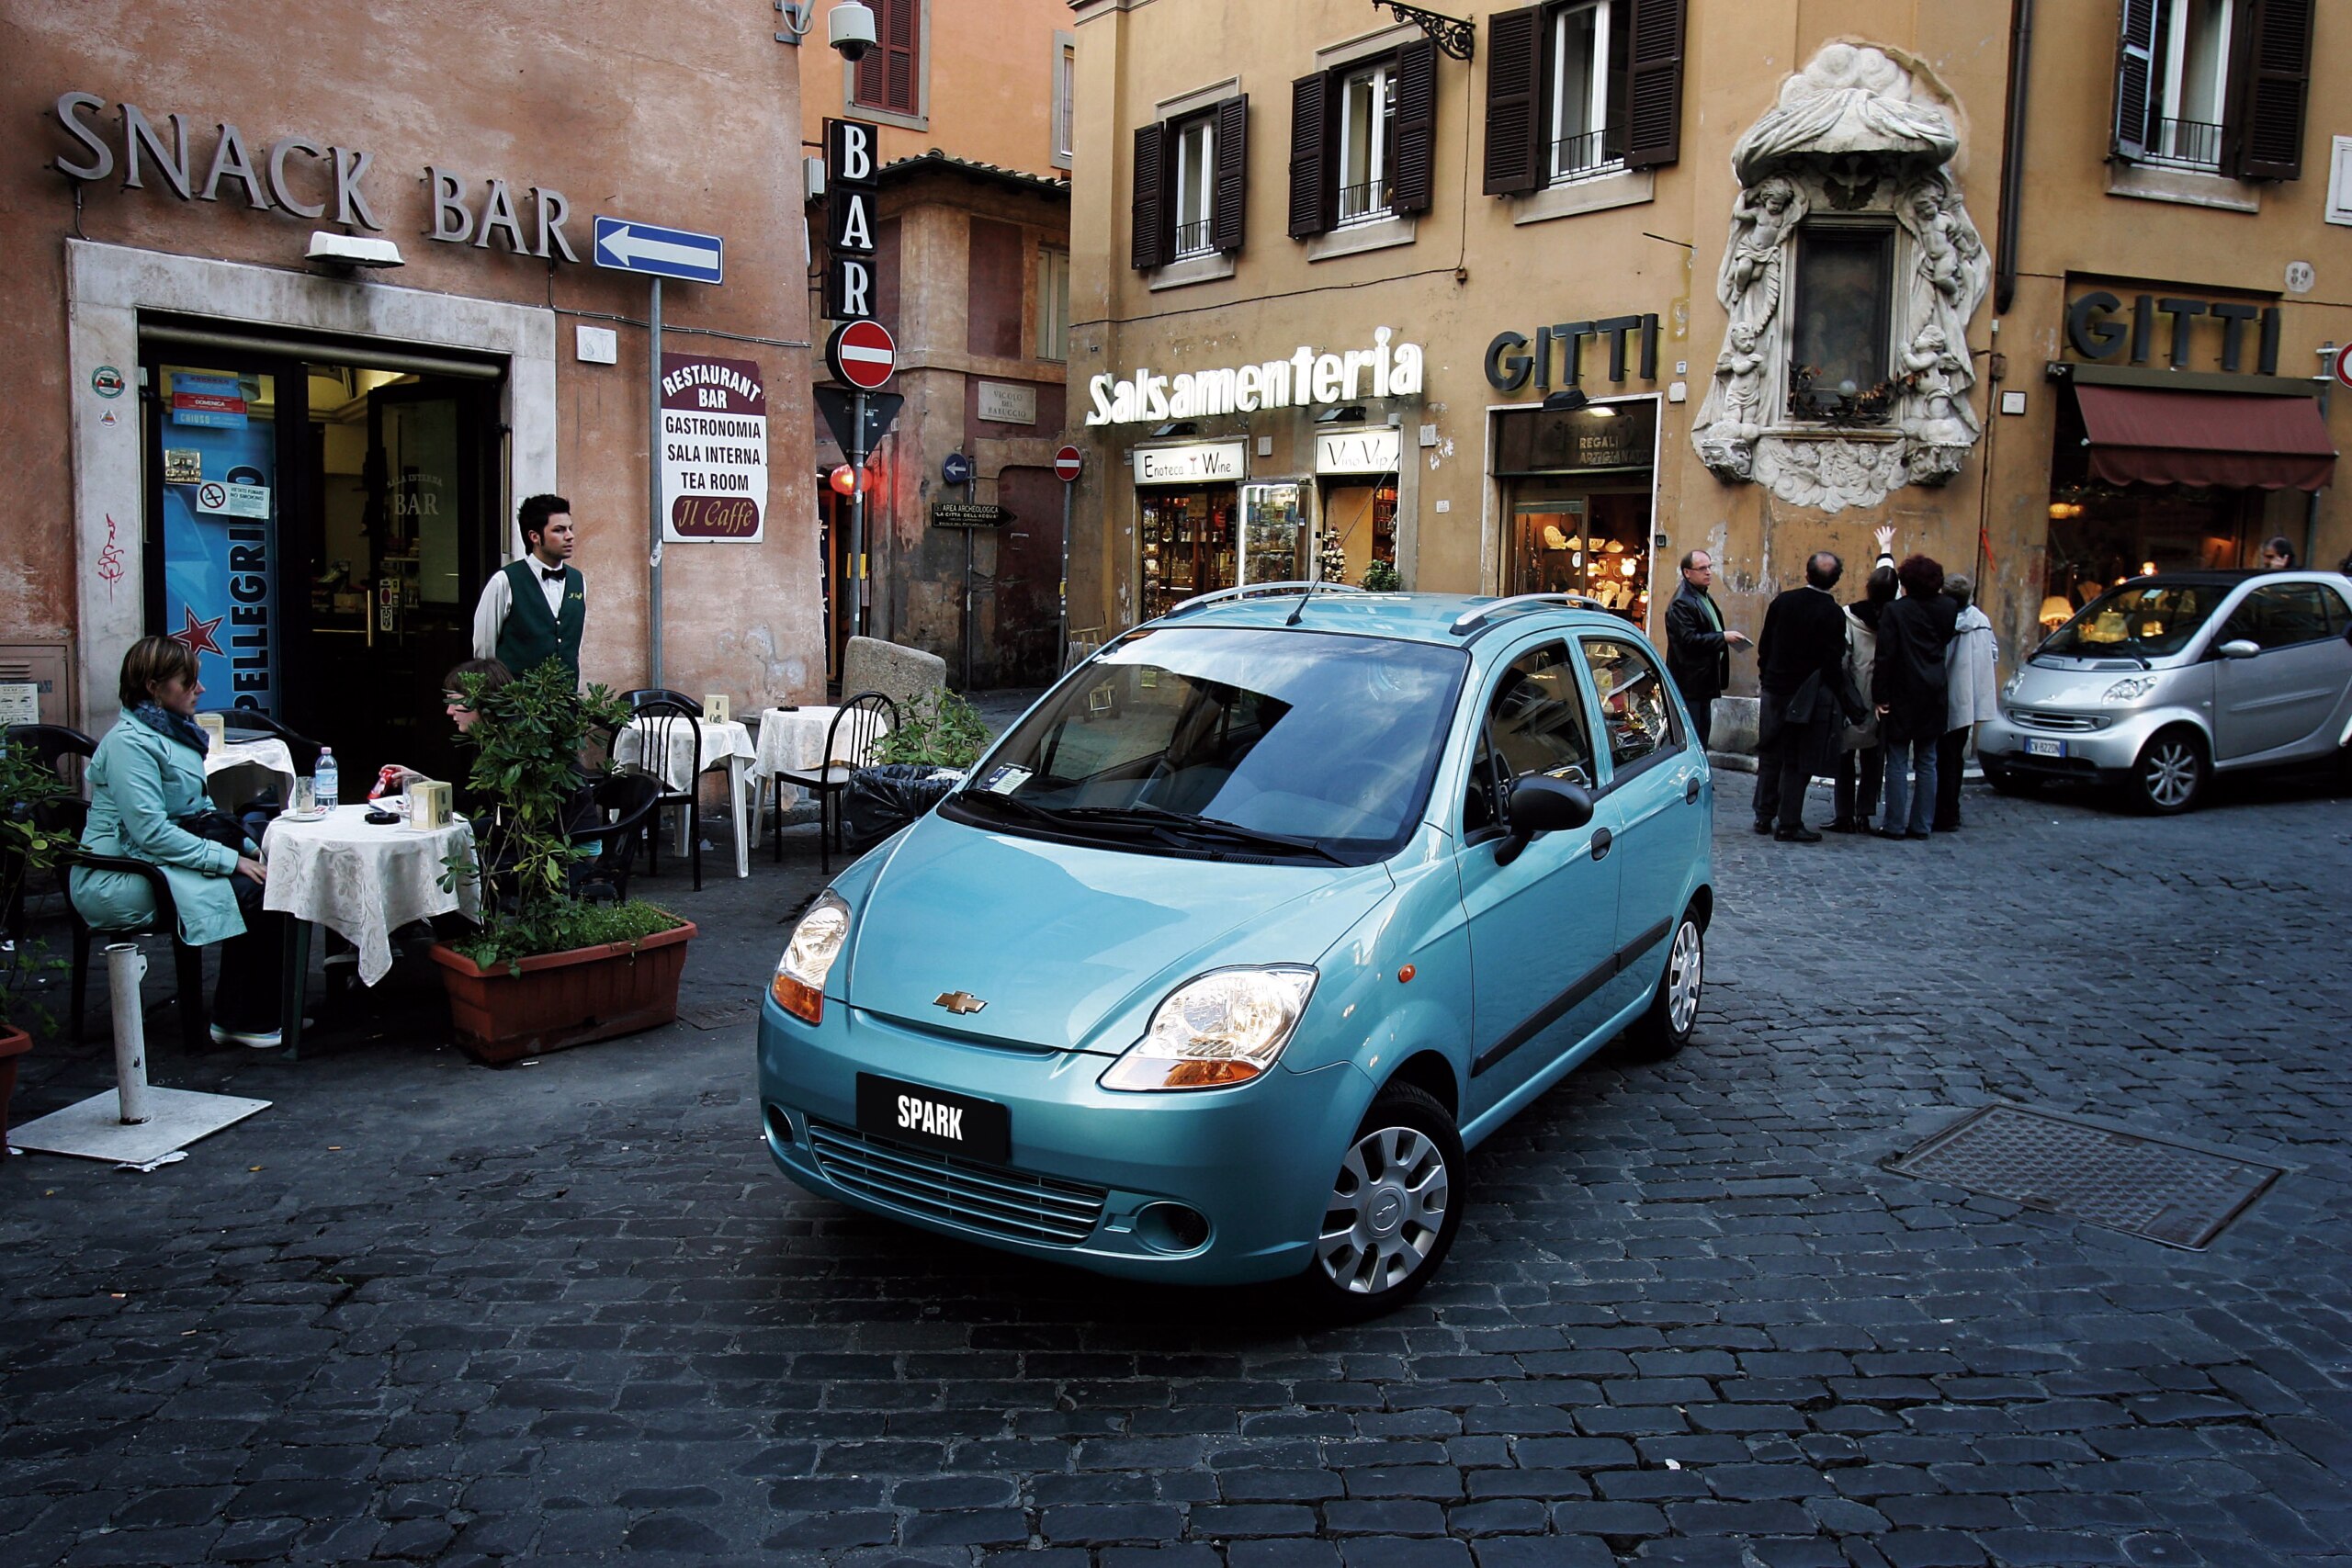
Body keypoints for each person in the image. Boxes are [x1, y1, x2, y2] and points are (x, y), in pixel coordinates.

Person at [71, 637, 285, 1048]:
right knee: (256, 893)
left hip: (155, 860)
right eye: (187, 682)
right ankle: (241, 1018)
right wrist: (230, 862)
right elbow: (150, 831)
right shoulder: (129, 744)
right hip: (119, 876)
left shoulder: (170, 733)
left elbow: (201, 813)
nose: (199, 690)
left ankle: (247, 1013)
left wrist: (248, 850)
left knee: (271, 879)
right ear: (154, 687)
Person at [1753, 551, 1863, 843]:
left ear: (1807, 573)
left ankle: (1764, 814)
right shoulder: (1832, 613)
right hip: (1808, 694)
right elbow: (1832, 660)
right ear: (1835, 581)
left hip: (1776, 686)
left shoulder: (1783, 602)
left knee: (1771, 750)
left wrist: (1767, 674)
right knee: (1797, 758)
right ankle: (1788, 820)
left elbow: (1765, 643)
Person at [1873, 554, 1961, 840]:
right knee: (1927, 759)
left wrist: (1880, 695)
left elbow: (1885, 655)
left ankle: (1895, 823)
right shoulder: (1949, 607)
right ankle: (1922, 824)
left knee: (1897, 758)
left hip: (1902, 689)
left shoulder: (1895, 611)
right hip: (1934, 688)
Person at [471, 494, 583, 684]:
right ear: (535, 536)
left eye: (570, 529)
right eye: (559, 530)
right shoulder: (504, 581)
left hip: (565, 702)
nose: (569, 536)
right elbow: (484, 651)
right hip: (516, 702)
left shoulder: (577, 580)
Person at [1831, 544, 1900, 833]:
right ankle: (1865, 812)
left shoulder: (1849, 614)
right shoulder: (1898, 615)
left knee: (1845, 755)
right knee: (1875, 757)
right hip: (1886, 694)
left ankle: (1844, 813)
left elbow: (1843, 657)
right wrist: (1886, 551)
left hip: (1855, 692)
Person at [1663, 549, 1751, 749]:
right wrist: (1723, 637)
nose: (1709, 572)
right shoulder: (1681, 602)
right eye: (1702, 568)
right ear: (1687, 572)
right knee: (1694, 736)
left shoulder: (1701, 596)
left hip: (1703, 681)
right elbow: (1689, 640)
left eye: (1710, 567)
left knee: (1702, 733)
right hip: (1691, 682)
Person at [1936, 574, 1999, 832]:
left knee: (1935, 757)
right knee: (1954, 758)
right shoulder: (1981, 621)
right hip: (1966, 699)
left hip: (1941, 695)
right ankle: (1949, 811)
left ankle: (1936, 810)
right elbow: (1993, 654)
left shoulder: (1941, 621)